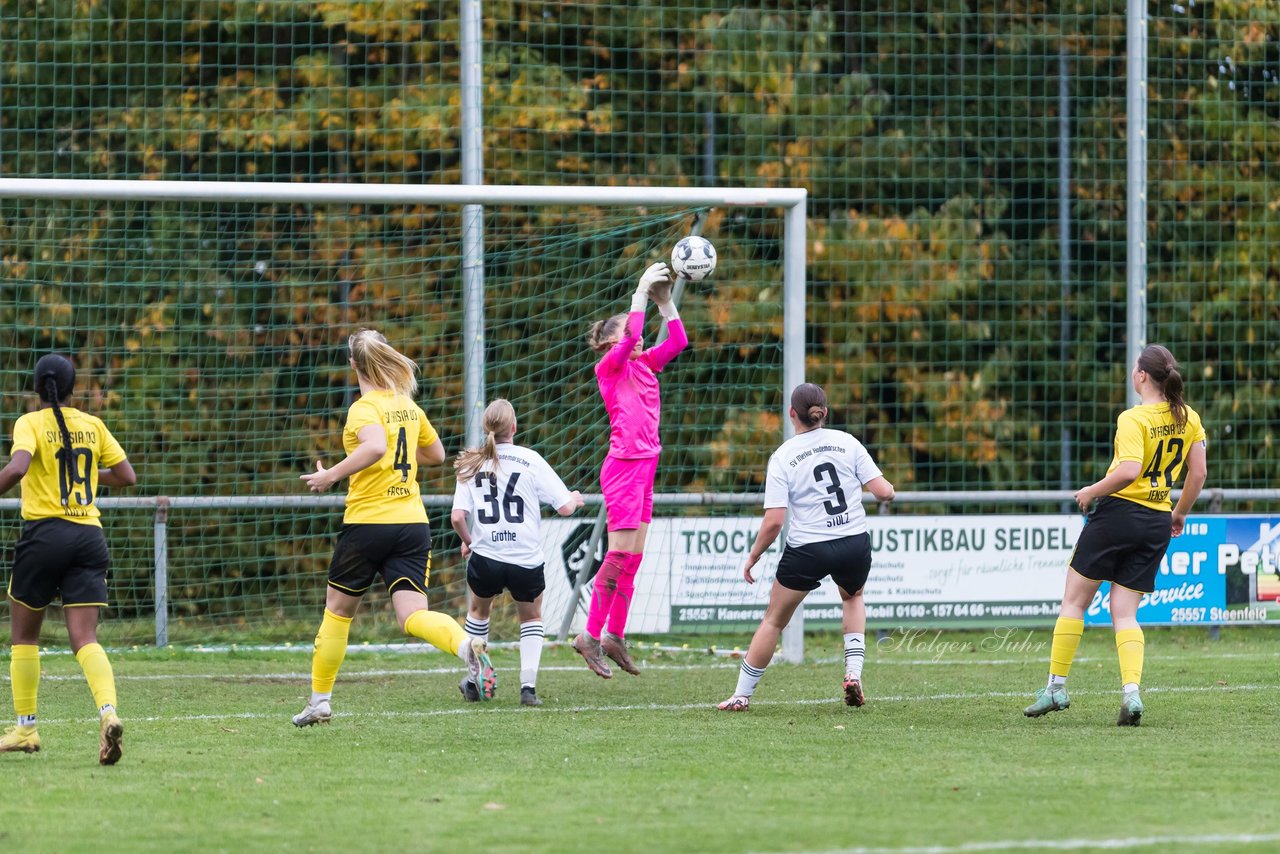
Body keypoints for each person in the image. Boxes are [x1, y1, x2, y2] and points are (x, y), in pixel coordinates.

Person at [293, 329, 493, 727]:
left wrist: (331, 475)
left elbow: (375, 448)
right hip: (411, 523)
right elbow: (435, 454)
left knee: (337, 611)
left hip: (368, 523)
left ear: (354, 365)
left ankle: (320, 700)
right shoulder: (407, 405)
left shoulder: (363, 408)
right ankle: (466, 645)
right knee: (412, 615)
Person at [1024, 344, 1206, 726]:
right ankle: (1131, 694)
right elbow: (1199, 473)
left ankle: (1056, 687)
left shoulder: (1133, 418)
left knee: (1074, 602)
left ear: (1141, 375)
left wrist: (1090, 491)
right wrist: (1180, 513)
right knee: (1125, 613)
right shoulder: (1189, 417)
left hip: (1118, 513)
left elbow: (1128, 470)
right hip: (1156, 520)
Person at [717, 383, 895, 712]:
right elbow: (884, 492)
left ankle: (741, 696)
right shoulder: (847, 442)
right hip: (853, 541)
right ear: (824, 413)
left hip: (809, 548)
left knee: (773, 621)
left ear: (791, 414)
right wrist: (886, 490)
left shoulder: (783, 456)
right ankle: (853, 674)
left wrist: (753, 556)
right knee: (853, 596)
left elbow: (774, 521)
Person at [0, 354, 136, 764]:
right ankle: (108, 712)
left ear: (36, 388)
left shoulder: (30, 423)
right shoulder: (92, 425)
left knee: (24, 637)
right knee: (85, 639)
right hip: (89, 538)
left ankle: (26, 728)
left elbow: (18, 467)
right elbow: (127, 475)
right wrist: (90, 475)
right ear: (74, 388)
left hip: (45, 536)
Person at [573, 261, 688, 679]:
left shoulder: (645, 364)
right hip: (623, 469)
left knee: (634, 559)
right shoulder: (609, 367)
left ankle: (614, 635)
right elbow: (634, 336)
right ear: (610, 343)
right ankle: (588, 635)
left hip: (645, 468)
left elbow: (679, 340)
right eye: (625, 331)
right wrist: (640, 292)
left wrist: (665, 303)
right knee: (620, 554)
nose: (634, 336)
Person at [450, 399, 585, 706]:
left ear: (487, 428)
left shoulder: (470, 463)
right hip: (524, 558)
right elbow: (564, 507)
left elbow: (457, 518)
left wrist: (469, 541)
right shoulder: (530, 459)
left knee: (479, 613)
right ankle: (528, 690)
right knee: (531, 618)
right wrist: (574, 499)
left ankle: (474, 681)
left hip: (486, 557)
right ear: (514, 427)